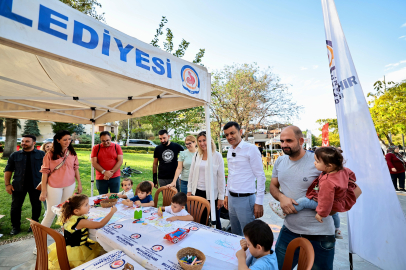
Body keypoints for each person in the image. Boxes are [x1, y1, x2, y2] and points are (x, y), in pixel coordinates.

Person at [269, 126, 335, 270]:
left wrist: (332, 207)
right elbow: (273, 186)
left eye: (289, 141)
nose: (284, 144)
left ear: (301, 141)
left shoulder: (319, 160)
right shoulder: (280, 162)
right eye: (282, 141)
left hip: (320, 235)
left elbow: (351, 188)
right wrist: (281, 197)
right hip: (289, 231)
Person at [270, 147, 358, 239]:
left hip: (323, 203)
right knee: (335, 214)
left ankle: (283, 211)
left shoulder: (327, 181)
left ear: (329, 166)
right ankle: (337, 229)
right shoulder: (343, 171)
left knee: (304, 202)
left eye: (317, 161)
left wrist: (321, 213)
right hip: (336, 201)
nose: (314, 163)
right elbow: (352, 176)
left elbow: (326, 200)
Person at [47, 194, 115, 269]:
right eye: (86, 205)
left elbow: (65, 230)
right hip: (78, 250)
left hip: (66, 247)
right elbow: (100, 224)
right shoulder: (81, 222)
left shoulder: (66, 216)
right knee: (100, 249)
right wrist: (112, 212)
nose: (89, 206)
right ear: (76, 211)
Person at [223, 122, 266, 236]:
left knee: (249, 236)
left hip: (246, 199)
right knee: (235, 233)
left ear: (240, 132)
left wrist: (259, 202)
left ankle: (250, 255)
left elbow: (261, 176)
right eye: (226, 135)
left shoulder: (251, 149)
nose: (229, 137)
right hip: (232, 198)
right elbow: (231, 175)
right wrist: (227, 195)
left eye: (232, 133)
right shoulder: (229, 150)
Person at [40, 130, 82, 230]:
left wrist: (79, 184)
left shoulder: (72, 153)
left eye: (69, 139)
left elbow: (76, 168)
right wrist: (43, 191)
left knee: (66, 211)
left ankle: (65, 237)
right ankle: (40, 239)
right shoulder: (50, 154)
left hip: (69, 184)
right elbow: (45, 173)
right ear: (58, 140)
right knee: (51, 212)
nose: (68, 142)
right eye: (65, 140)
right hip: (54, 186)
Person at [4, 135, 45, 235]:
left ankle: (34, 225)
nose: (23, 143)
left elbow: (47, 170)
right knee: (15, 206)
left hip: (36, 185)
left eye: (27, 141)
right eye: (22, 141)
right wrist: (7, 184)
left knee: (36, 206)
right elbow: (8, 170)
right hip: (18, 185)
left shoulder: (42, 154)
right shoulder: (15, 155)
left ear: (34, 143)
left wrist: (45, 184)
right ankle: (15, 227)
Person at [187, 131, 225, 229]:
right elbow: (191, 174)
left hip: (213, 194)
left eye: (204, 140)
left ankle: (217, 240)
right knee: (200, 220)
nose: (202, 143)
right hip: (198, 192)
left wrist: (221, 196)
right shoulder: (196, 155)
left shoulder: (217, 156)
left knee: (215, 221)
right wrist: (189, 190)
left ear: (210, 140)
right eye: (199, 141)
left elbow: (221, 177)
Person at [39, 141, 53, 216]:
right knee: (44, 194)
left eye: (51, 146)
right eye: (47, 146)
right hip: (43, 178)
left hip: (54, 179)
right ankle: (46, 210)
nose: (49, 148)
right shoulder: (41, 157)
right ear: (44, 148)